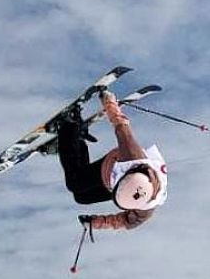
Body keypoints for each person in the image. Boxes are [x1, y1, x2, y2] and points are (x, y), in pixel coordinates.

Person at [53, 91, 168, 231]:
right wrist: (108, 100)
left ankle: (76, 140)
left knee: (81, 197)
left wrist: (94, 223)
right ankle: (68, 126)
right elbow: (121, 124)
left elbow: (124, 221)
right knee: (75, 183)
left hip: (113, 186)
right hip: (112, 164)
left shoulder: (147, 208)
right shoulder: (133, 156)